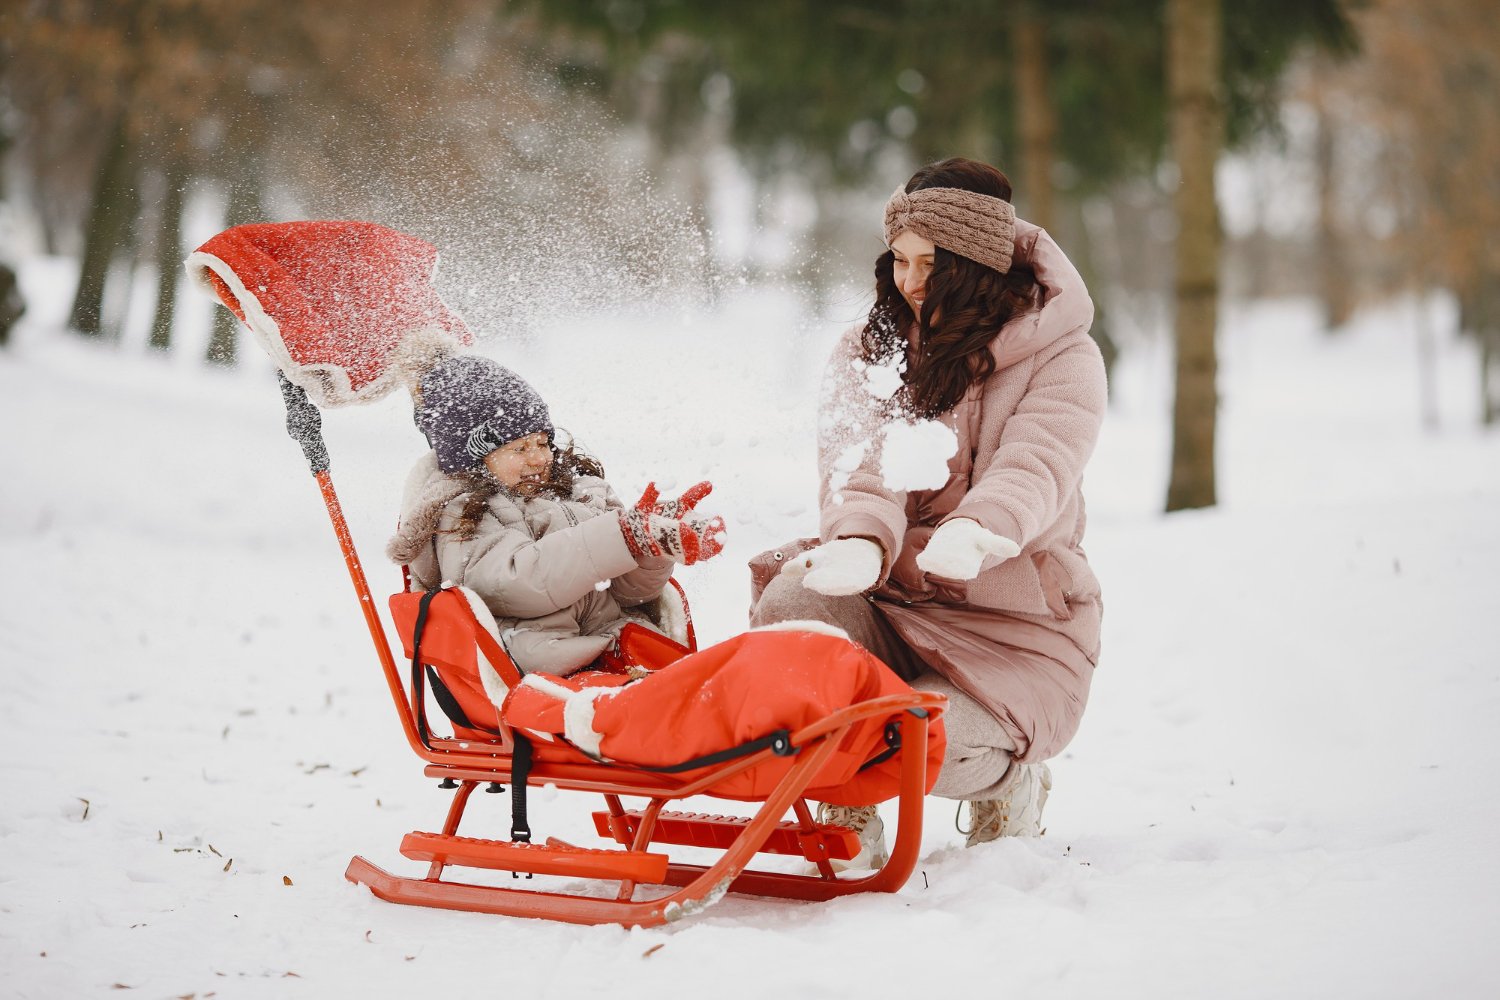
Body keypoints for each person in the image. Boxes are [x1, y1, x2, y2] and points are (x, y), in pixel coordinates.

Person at [750, 156, 1106, 865]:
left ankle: (1010, 780)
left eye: (931, 264)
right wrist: (859, 538)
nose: (910, 283)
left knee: (922, 737)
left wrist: (981, 529)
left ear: (977, 262)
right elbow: (860, 462)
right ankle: (845, 797)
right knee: (795, 605)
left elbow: (1038, 463)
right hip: (891, 600)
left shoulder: (1065, 356)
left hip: (1010, 629)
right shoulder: (869, 350)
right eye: (900, 262)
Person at [388, 353, 726, 676]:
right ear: (473, 458)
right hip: (546, 671)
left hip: (622, 650)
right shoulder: (466, 515)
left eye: (543, 442)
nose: (539, 458)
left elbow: (629, 594)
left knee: (729, 680)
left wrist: (651, 545)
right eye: (520, 448)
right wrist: (621, 536)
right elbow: (516, 583)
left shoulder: (583, 493)